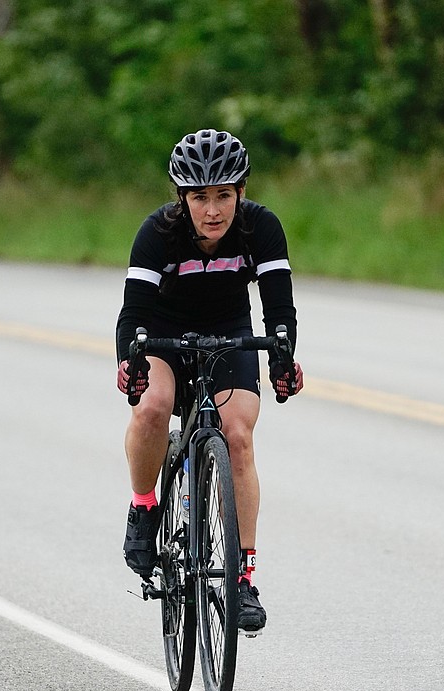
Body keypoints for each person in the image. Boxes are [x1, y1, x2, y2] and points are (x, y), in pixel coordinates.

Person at [114, 128, 304, 634]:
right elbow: (133, 314)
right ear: (184, 198)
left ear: (241, 192)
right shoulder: (158, 233)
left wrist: (283, 358)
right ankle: (144, 507)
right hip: (164, 336)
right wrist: (130, 360)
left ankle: (242, 578)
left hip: (229, 335)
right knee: (152, 407)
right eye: (201, 197)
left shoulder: (261, 228)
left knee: (238, 436)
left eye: (224, 195)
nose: (213, 210)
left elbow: (278, 306)